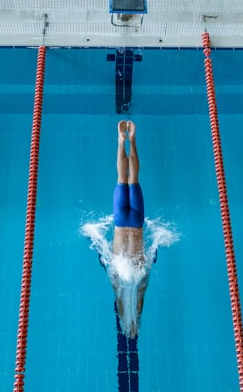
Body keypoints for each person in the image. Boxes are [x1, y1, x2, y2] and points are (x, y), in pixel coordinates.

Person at [110, 120, 149, 339]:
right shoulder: (118, 278)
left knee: (132, 178)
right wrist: (127, 318)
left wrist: (135, 317)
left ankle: (131, 140)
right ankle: (121, 141)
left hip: (136, 223)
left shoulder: (139, 277)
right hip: (119, 222)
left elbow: (139, 298)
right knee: (121, 178)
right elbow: (122, 301)